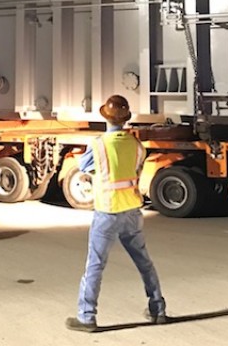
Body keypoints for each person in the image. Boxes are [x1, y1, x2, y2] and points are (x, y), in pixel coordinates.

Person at [66, 94, 167, 333]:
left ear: (106, 118)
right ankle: (158, 310)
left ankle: (87, 317)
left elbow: (84, 167)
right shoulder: (136, 145)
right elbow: (136, 169)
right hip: (131, 210)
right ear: (125, 119)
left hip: (107, 211)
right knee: (144, 262)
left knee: (95, 265)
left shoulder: (99, 144)